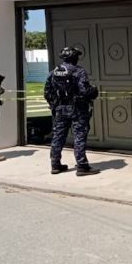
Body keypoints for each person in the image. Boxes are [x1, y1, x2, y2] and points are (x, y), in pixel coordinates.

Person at [44, 47, 100, 176]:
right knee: (79, 136)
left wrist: (54, 105)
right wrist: (94, 91)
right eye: (77, 57)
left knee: (58, 136)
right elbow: (84, 91)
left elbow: (47, 92)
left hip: (60, 110)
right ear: (74, 58)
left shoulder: (53, 72)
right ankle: (82, 166)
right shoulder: (79, 71)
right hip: (78, 109)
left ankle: (55, 165)